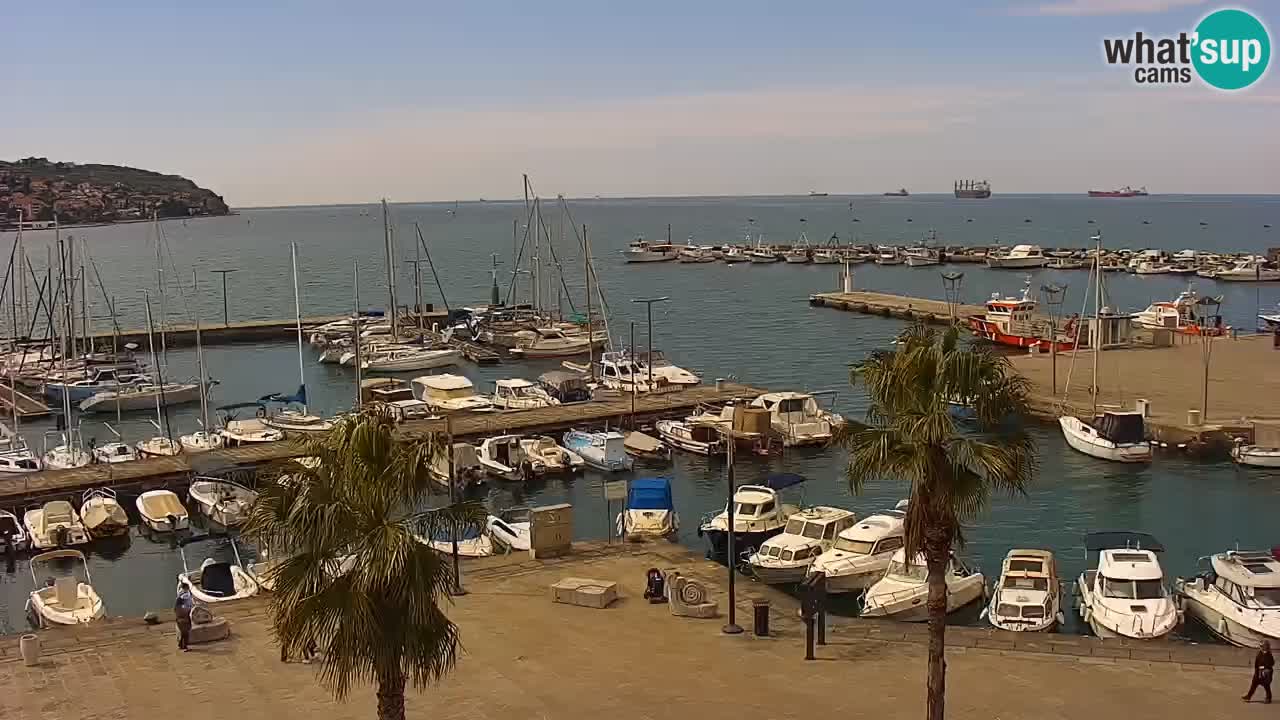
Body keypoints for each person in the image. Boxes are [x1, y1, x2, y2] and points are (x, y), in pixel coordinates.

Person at [174, 585, 195, 652]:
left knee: (183, 633)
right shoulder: (184, 596)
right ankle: (185, 647)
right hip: (183, 618)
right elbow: (186, 607)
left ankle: (180, 645)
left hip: (180, 617)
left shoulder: (180, 596)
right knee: (186, 633)